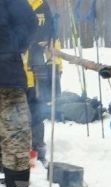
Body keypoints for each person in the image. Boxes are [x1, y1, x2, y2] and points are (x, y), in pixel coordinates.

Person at [0, 0, 39, 187]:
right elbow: (30, 24)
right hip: (7, 78)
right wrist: (11, 46)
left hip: (7, 73)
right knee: (16, 134)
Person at [24, 0, 60, 167]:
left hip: (36, 73)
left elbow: (53, 38)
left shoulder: (42, 6)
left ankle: (38, 150)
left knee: (36, 113)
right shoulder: (10, 5)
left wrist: (56, 65)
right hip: (11, 73)